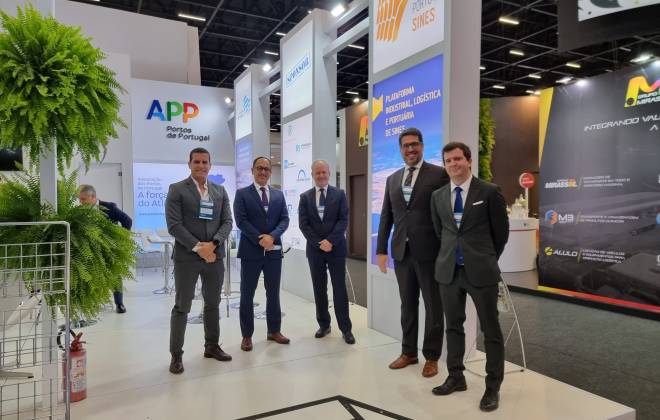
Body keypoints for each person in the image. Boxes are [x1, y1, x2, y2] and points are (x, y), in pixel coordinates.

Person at [430, 141, 509, 412]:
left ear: (469, 161)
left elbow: (501, 234)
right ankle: (456, 376)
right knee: (453, 326)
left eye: (457, 159)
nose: (453, 164)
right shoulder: (438, 196)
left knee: (490, 330)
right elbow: (441, 232)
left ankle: (492, 386)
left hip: (481, 271)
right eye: (448, 161)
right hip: (449, 272)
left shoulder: (489, 191)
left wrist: (485, 257)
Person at [376, 127, 449, 378]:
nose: (410, 149)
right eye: (406, 145)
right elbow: (386, 216)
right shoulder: (392, 179)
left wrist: (447, 250)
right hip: (402, 253)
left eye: (414, 144)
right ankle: (408, 352)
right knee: (407, 305)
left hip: (430, 253)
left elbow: (445, 215)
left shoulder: (439, 175)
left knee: (433, 306)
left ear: (422, 146)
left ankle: (432, 357)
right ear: (400, 149)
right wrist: (381, 249)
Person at [165, 147, 233, 374]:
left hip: (215, 256)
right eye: (197, 162)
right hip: (187, 258)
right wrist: (198, 248)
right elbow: (174, 225)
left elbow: (227, 222)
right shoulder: (177, 189)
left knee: (212, 304)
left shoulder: (219, 191)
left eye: (205, 162)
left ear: (210, 165)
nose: (201, 166)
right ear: (189, 164)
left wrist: (213, 245)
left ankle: (212, 346)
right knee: (182, 307)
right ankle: (176, 355)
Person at [233, 157, 290, 351]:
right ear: (253, 170)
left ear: (270, 172)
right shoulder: (242, 194)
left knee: (273, 293)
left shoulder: (278, 195)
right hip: (250, 251)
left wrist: (272, 237)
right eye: (259, 168)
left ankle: (274, 331)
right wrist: (260, 239)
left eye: (266, 169)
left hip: (273, 252)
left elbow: (284, 220)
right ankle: (247, 335)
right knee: (247, 294)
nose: (263, 172)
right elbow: (241, 221)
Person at [298, 160, 355, 345]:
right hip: (315, 251)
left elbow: (343, 220)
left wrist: (330, 241)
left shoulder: (339, 194)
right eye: (318, 172)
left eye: (324, 172)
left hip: (336, 248)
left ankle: (346, 329)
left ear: (329, 173)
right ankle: (324, 325)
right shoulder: (305, 197)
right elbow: (303, 224)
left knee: (339, 289)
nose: (321, 175)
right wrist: (318, 243)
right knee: (319, 289)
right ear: (312, 175)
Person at [78, 184, 132, 314]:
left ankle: (119, 304)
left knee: (115, 274)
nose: (81, 202)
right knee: (92, 275)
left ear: (93, 197)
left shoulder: (109, 207)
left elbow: (127, 220)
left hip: (110, 248)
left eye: (83, 199)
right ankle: (94, 303)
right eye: (80, 199)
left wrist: (120, 238)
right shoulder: (80, 211)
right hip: (90, 249)